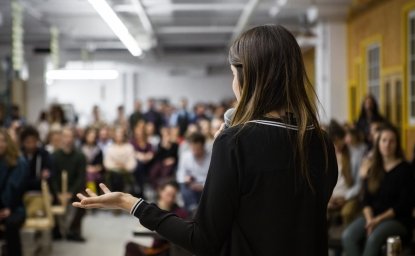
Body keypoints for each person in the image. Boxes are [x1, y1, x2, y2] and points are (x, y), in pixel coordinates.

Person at [73, 25, 338, 256]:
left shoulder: (235, 142)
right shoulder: (321, 142)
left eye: (234, 75)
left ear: (249, 79)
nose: (233, 84)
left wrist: (131, 204)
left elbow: (202, 240)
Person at [342, 125, 414, 256]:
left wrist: (378, 220)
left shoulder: (406, 169)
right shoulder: (373, 168)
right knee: (348, 236)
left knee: (373, 237)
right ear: (378, 143)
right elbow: (366, 200)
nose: (387, 144)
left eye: (392, 141)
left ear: (397, 144)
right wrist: (370, 220)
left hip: (398, 220)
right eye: (384, 140)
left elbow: (404, 205)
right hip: (372, 217)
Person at [124, 180, 188, 256]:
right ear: (160, 191)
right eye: (168, 194)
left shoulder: (180, 212)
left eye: (173, 196)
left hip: (166, 249)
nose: (170, 198)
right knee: (130, 246)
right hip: (152, 245)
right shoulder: (151, 208)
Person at [51, 127, 87, 241]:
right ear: (61, 138)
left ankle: (73, 231)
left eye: (70, 136)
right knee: (48, 198)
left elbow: (80, 178)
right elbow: (53, 178)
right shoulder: (54, 156)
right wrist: (58, 193)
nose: (68, 139)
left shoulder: (80, 156)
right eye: (65, 136)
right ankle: (55, 230)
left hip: (73, 190)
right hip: (58, 190)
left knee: (85, 200)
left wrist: (70, 193)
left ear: (74, 138)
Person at [0, 128, 28, 256]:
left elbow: (19, 191)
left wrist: (8, 208)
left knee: (11, 226)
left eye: (2, 141)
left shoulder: (19, 162)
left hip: (15, 207)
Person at [327, 121, 360, 226]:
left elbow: (359, 184)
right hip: (331, 196)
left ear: (343, 139)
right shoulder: (327, 155)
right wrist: (328, 196)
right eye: (333, 142)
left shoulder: (354, 155)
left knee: (347, 212)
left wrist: (345, 197)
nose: (336, 146)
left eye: (338, 141)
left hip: (348, 195)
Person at [176, 132, 211, 212]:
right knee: (183, 186)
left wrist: (202, 186)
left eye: (197, 149)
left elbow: (214, 177)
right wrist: (186, 178)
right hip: (191, 185)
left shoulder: (211, 157)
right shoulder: (186, 156)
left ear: (202, 146)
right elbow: (180, 174)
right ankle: (192, 210)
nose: (194, 151)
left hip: (206, 186)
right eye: (192, 148)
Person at [104, 127, 136, 193]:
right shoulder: (110, 148)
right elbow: (107, 163)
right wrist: (117, 166)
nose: (119, 137)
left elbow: (132, 162)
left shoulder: (129, 147)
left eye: (121, 135)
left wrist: (125, 166)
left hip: (126, 173)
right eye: (117, 135)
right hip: (113, 174)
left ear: (124, 136)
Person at [20, 126, 52, 192]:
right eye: (28, 142)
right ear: (23, 142)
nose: (31, 145)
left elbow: (47, 174)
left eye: (34, 141)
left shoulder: (44, 154)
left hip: (38, 192)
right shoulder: (19, 156)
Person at [131, 122, 154, 198]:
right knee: (139, 166)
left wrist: (146, 157)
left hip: (147, 163)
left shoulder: (148, 143)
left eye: (141, 133)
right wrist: (141, 156)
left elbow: (151, 153)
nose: (139, 135)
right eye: (137, 133)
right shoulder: (132, 142)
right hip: (137, 164)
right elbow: (133, 153)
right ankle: (140, 189)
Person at [81, 128, 104, 195]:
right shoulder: (81, 149)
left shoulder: (98, 150)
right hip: (84, 172)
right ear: (86, 136)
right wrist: (87, 168)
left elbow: (101, 165)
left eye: (93, 137)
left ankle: (93, 195)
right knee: (88, 175)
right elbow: (80, 165)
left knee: (93, 176)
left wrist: (94, 169)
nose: (92, 138)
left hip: (96, 173)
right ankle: (91, 195)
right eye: (90, 136)